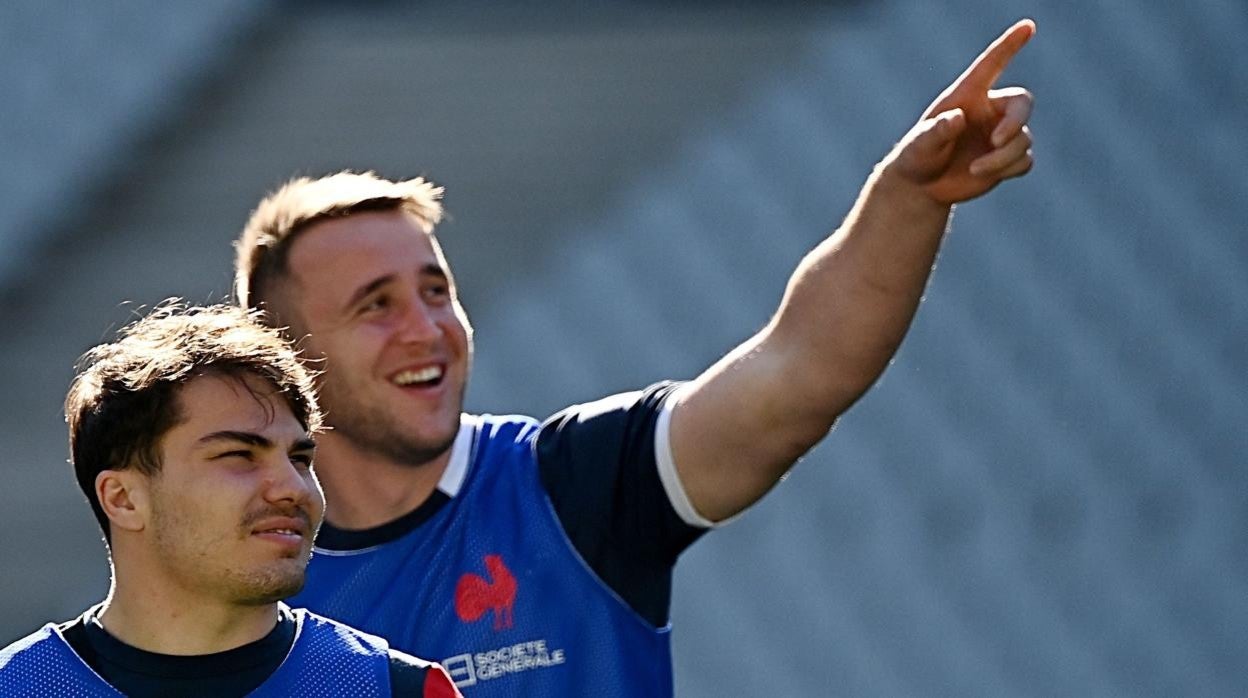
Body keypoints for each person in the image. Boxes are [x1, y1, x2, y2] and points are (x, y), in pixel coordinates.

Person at [231, 20, 1037, 696]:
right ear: (286, 359)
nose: (426, 327)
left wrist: (910, 199)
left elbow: (800, 373)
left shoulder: (573, 484)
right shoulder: (242, 587)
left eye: (436, 290)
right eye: (376, 305)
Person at [0, 304, 462, 698]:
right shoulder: (20, 687)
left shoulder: (395, 690)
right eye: (239, 455)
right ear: (122, 499)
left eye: (300, 459)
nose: (294, 489)